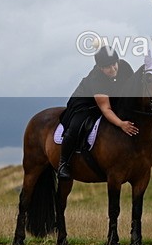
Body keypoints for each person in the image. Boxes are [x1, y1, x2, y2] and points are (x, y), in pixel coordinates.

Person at [57, 46, 138, 180]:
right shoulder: (97, 78)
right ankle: (63, 163)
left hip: (113, 99)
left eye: (114, 64)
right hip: (85, 103)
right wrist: (121, 124)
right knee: (76, 126)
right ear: (100, 68)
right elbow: (105, 108)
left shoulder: (124, 66)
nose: (113, 69)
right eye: (108, 67)